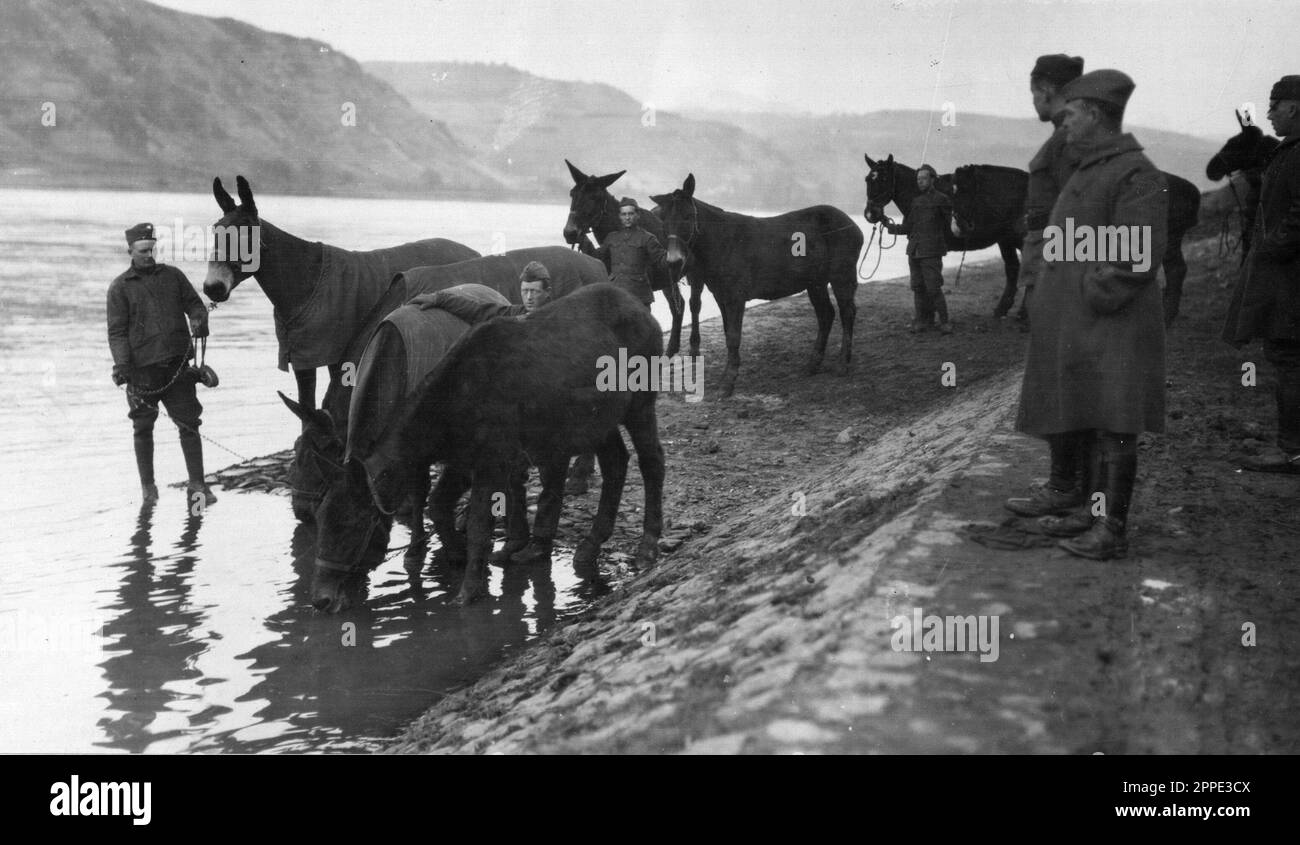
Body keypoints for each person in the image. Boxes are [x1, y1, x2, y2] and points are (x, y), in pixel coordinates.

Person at [1012, 69, 1168, 560]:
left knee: (1115, 425)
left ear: (1096, 115)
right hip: (1083, 324)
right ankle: (1089, 512)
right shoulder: (1090, 167)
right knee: (1092, 416)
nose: (1064, 124)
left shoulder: (1135, 174)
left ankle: (1110, 530)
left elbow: (1136, 256)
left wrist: (1089, 294)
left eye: (1072, 115)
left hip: (1112, 323)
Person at [1223, 75, 1300, 474]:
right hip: (1288, 276)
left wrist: (1269, 250)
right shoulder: (1289, 151)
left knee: (1289, 359)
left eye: (1274, 106)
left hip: (1291, 280)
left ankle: (1291, 451)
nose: (1268, 114)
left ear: (1292, 107)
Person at [107, 223, 216, 505]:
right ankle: (148, 490)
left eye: (151, 249)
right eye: (142, 251)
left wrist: (198, 318)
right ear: (130, 250)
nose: (148, 255)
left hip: (178, 368)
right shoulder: (119, 288)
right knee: (143, 428)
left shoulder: (173, 276)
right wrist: (122, 366)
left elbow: (195, 305)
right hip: (141, 374)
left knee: (189, 425)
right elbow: (117, 332)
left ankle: (198, 487)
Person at [1005, 53, 1086, 323]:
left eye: (1033, 93)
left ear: (1047, 90)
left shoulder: (1067, 138)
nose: (1033, 101)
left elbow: (1081, 208)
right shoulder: (1068, 133)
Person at [883, 165, 954, 333]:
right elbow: (908, 227)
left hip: (931, 251)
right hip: (914, 251)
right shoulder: (915, 202)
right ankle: (922, 321)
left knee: (933, 287)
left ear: (932, 179)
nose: (920, 182)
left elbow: (949, 225)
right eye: (918, 180)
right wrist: (888, 225)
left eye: (923, 179)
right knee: (917, 287)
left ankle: (945, 322)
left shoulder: (942, 199)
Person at [589, 197, 668, 307]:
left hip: (640, 297)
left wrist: (673, 257)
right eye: (624, 214)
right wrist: (583, 240)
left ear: (637, 215)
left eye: (630, 214)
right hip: (616, 295)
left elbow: (661, 260)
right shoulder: (611, 238)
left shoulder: (647, 238)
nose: (627, 218)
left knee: (640, 324)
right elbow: (596, 257)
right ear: (619, 216)